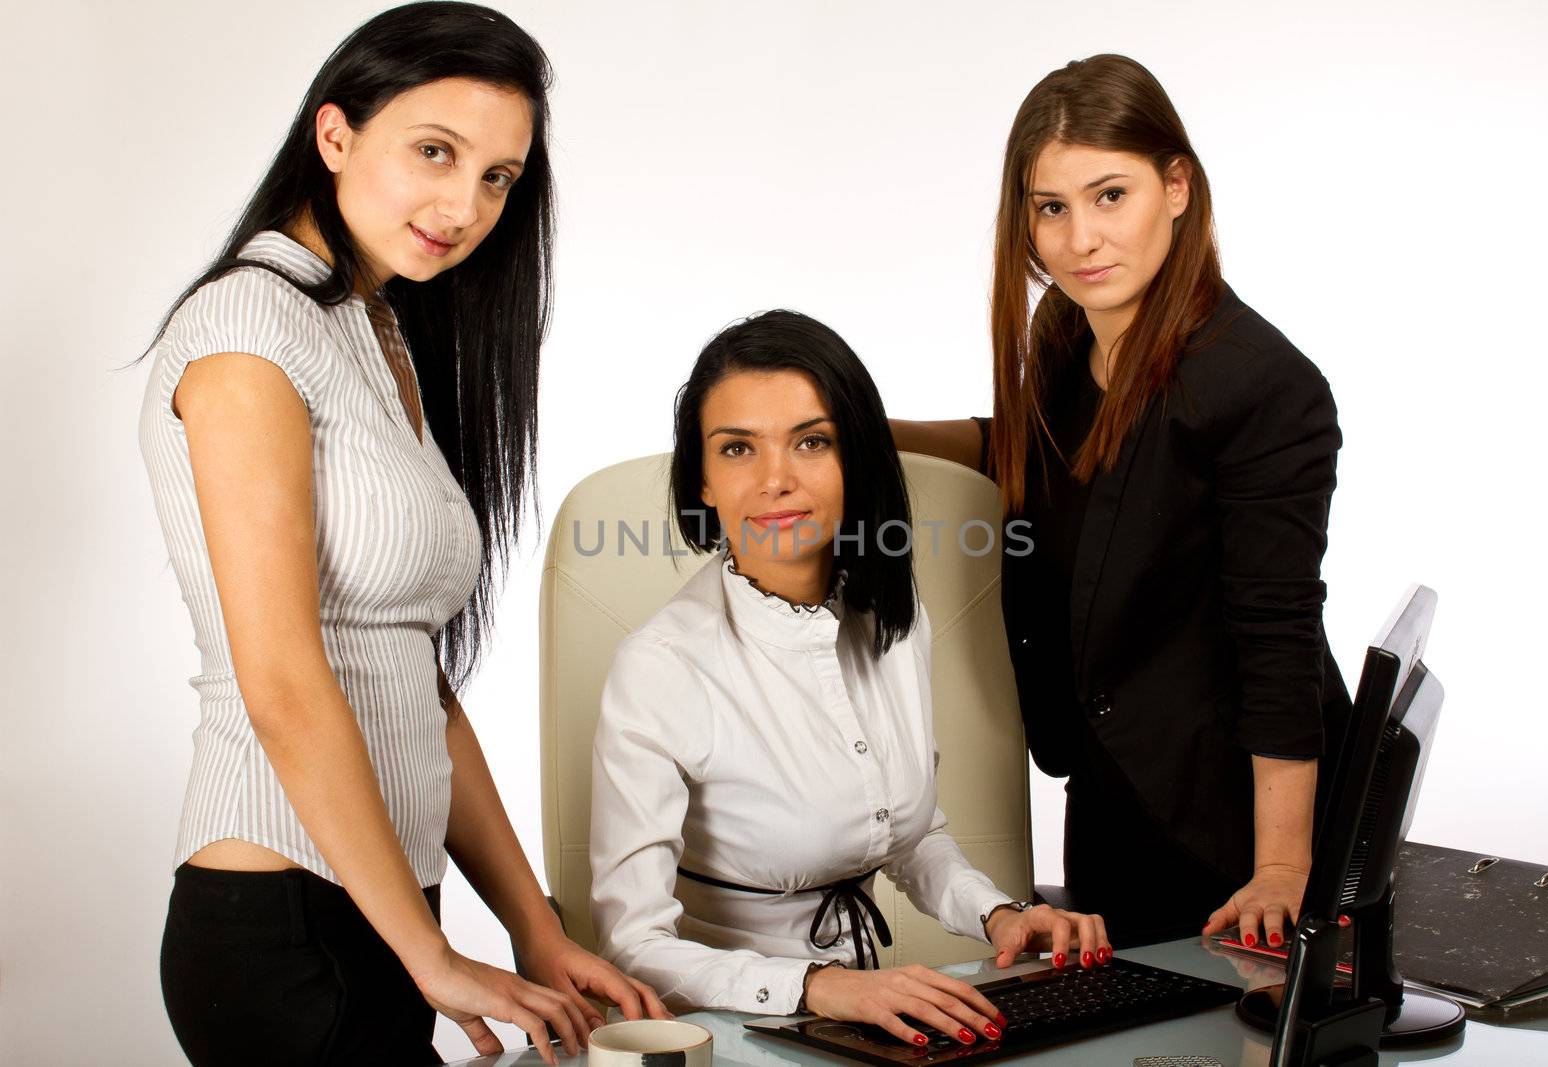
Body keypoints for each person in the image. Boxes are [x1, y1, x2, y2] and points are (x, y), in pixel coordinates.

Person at [135, 5, 664, 1064]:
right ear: (335, 135)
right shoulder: (249, 327)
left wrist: (532, 925)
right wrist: (431, 951)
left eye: (498, 178)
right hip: (282, 918)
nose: (464, 205)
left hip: (376, 916)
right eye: (435, 151)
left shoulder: (374, 328)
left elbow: (416, 681)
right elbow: (282, 681)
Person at [891, 54, 1353, 951]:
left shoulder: (1263, 387)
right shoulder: (1064, 330)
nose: (1081, 239)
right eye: (1051, 208)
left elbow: (1279, 635)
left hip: (1230, 826)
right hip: (1109, 787)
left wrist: (1284, 866)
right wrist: (861, 425)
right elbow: (1027, 447)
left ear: (1176, 187)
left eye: (1111, 196)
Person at [588, 310, 1111, 1050]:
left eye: (811, 441)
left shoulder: (893, 618)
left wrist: (1002, 915)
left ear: (855, 461)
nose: (777, 479)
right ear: (701, 480)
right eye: (738, 448)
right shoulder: (664, 666)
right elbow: (631, 941)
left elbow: (908, 833)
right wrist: (812, 984)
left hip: (866, 1024)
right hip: (720, 1034)